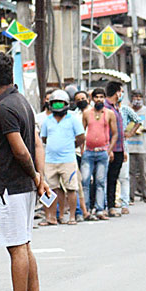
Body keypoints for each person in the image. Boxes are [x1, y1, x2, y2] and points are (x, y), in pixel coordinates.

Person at [0, 53, 50, 291]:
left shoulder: (4, 108)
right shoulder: (22, 103)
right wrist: (38, 177)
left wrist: (35, 174)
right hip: (24, 184)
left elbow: (21, 148)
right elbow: (37, 143)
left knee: (16, 246)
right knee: (24, 244)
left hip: (11, 186)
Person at [39, 90, 85, 225]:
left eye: (60, 103)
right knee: (52, 189)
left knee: (71, 188)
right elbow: (44, 138)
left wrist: (70, 146)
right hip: (50, 160)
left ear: (66, 104)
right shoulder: (47, 121)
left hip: (68, 159)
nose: (58, 106)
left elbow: (81, 137)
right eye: (55, 103)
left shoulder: (73, 119)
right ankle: (52, 217)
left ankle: (71, 216)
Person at [81, 88, 116, 220]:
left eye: (101, 97)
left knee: (100, 181)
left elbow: (115, 133)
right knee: (85, 181)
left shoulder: (109, 114)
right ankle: (86, 210)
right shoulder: (86, 113)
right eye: (97, 97)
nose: (99, 99)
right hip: (88, 152)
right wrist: (82, 148)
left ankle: (100, 209)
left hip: (102, 152)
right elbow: (81, 131)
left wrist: (109, 149)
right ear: (92, 99)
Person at [104, 82, 128, 217]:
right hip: (110, 149)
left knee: (114, 177)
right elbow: (107, 131)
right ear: (117, 92)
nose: (122, 94)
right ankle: (108, 205)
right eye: (121, 91)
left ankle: (111, 204)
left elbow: (120, 132)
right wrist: (110, 149)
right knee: (107, 178)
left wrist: (123, 150)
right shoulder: (106, 109)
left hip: (119, 148)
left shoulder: (116, 108)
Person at [126, 90, 146, 203]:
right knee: (130, 173)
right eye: (135, 97)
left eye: (139, 97)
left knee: (144, 172)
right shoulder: (127, 110)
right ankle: (130, 197)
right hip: (129, 147)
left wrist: (143, 129)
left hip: (143, 147)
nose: (137, 99)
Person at [71, 90, 91, 218]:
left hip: (94, 150)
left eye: (83, 98)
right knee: (80, 182)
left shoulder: (95, 112)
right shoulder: (73, 115)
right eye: (78, 99)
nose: (81, 101)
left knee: (93, 181)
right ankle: (83, 210)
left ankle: (93, 207)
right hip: (77, 152)